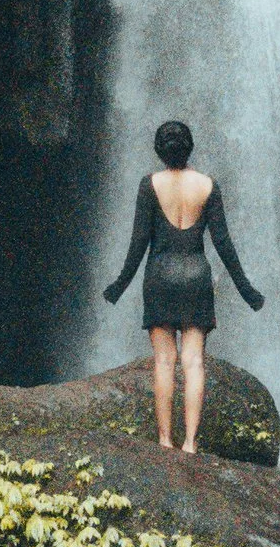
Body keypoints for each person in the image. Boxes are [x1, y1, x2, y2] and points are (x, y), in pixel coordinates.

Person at [103, 119, 263, 451]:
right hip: (196, 278)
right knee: (194, 362)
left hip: (160, 277)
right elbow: (223, 244)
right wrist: (247, 290)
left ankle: (164, 439)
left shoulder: (150, 184)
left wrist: (119, 285)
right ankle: (190, 442)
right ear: (190, 147)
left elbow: (138, 243)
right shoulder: (207, 185)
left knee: (164, 361)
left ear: (159, 150)